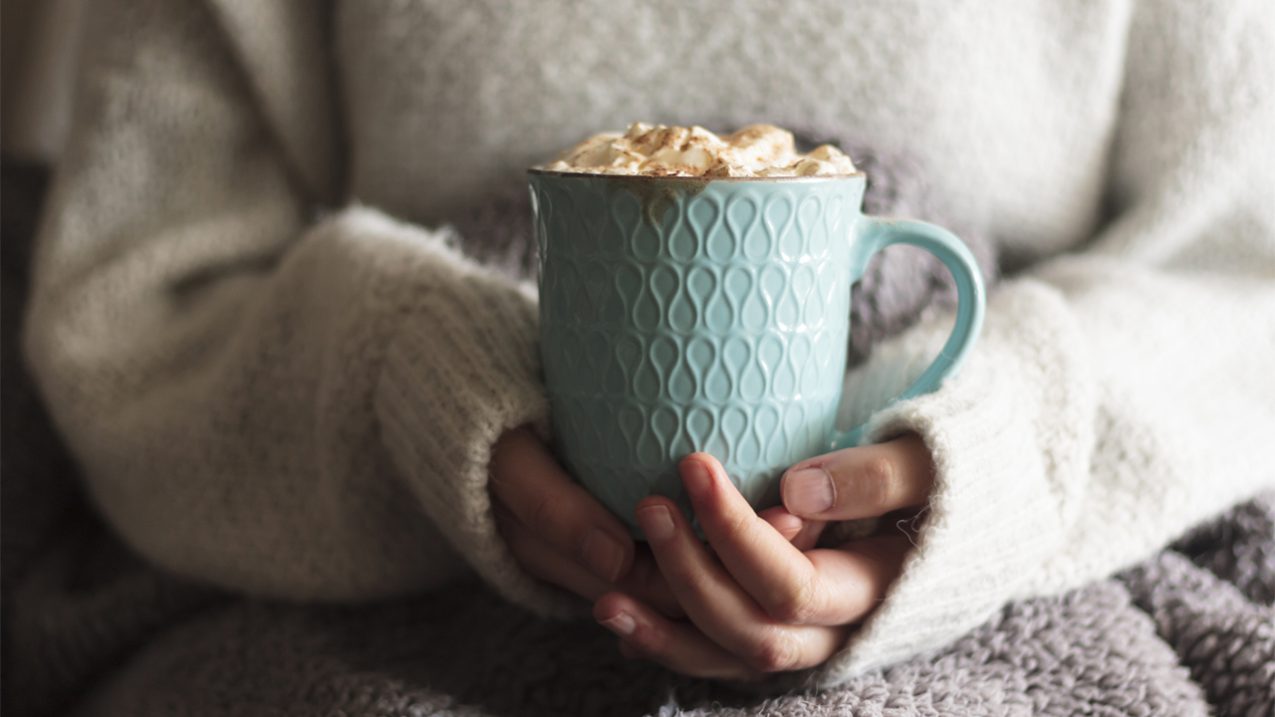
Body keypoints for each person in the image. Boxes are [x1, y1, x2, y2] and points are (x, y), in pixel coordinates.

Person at [21, 0, 1275, 692]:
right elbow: (137, 314)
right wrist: (402, 370)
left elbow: (1242, 268)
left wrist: (991, 467)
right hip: (381, 583)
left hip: (1046, 555)